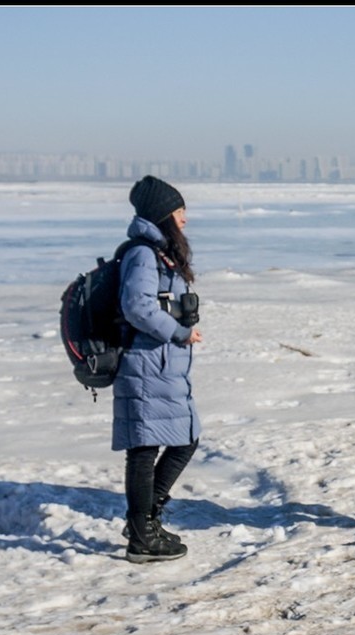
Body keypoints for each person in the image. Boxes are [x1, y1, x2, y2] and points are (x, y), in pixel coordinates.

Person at [114, 175, 203, 563]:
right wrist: (179, 332)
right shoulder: (143, 254)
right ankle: (141, 533)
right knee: (145, 448)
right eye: (179, 210)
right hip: (146, 361)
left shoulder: (159, 251)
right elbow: (137, 306)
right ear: (164, 214)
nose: (185, 217)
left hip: (162, 364)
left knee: (184, 437)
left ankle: (145, 519)